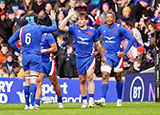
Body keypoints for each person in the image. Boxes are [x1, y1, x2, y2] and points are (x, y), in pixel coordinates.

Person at [8, 11, 57, 109]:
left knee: (27, 80)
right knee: (34, 80)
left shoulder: (22, 29)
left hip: (25, 56)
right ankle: (32, 104)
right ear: (36, 20)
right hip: (35, 55)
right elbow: (54, 28)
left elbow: (10, 41)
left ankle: (26, 104)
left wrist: (19, 50)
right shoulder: (39, 28)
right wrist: (53, 19)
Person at [59, 9, 106, 108]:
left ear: (86, 21)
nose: (79, 21)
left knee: (90, 76)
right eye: (78, 19)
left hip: (89, 57)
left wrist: (102, 56)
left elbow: (98, 45)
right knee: (82, 80)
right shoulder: (75, 29)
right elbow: (61, 27)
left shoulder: (92, 31)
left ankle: (91, 100)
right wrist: (68, 16)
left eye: (81, 19)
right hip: (79, 58)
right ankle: (84, 101)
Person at [95, 11, 135, 107]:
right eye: (107, 17)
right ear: (105, 19)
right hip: (107, 56)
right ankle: (103, 99)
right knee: (105, 75)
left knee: (118, 77)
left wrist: (124, 52)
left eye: (111, 17)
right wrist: (100, 48)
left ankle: (119, 99)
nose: (109, 19)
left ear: (114, 19)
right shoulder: (101, 28)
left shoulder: (119, 28)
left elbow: (132, 39)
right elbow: (94, 38)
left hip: (117, 56)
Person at [35, 32, 63, 109]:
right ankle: (37, 103)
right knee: (38, 82)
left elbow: (54, 48)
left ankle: (60, 101)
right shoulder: (35, 35)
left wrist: (43, 51)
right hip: (40, 62)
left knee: (54, 82)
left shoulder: (48, 36)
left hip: (49, 62)